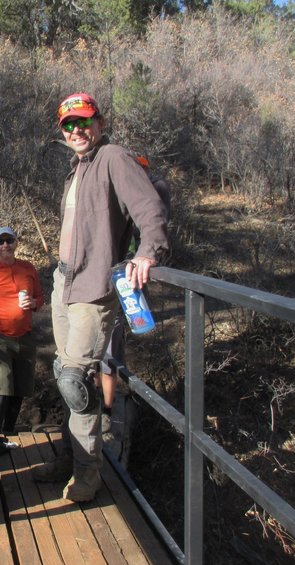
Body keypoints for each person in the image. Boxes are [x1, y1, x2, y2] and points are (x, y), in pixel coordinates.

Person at [33, 93, 169, 503]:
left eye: (84, 121)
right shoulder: (77, 169)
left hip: (94, 289)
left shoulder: (113, 157)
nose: (77, 130)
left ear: (100, 121)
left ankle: (87, 475)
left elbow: (151, 209)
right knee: (66, 373)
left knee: (77, 380)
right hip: (65, 285)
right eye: (68, 125)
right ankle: (70, 456)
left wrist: (148, 252)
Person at [100, 156, 171, 439]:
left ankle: (105, 412)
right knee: (97, 349)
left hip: (126, 273)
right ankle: (99, 408)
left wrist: (143, 255)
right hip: (104, 273)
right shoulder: (114, 189)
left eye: (139, 169)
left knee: (108, 349)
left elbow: (155, 223)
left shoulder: (156, 188)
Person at [0, 226, 44, 435]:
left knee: (20, 390)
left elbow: (40, 299)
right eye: (0, 242)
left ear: (16, 243)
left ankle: (10, 433)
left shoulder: (28, 268)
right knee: (2, 390)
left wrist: (33, 303)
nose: (5, 246)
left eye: (9, 241)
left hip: (26, 338)